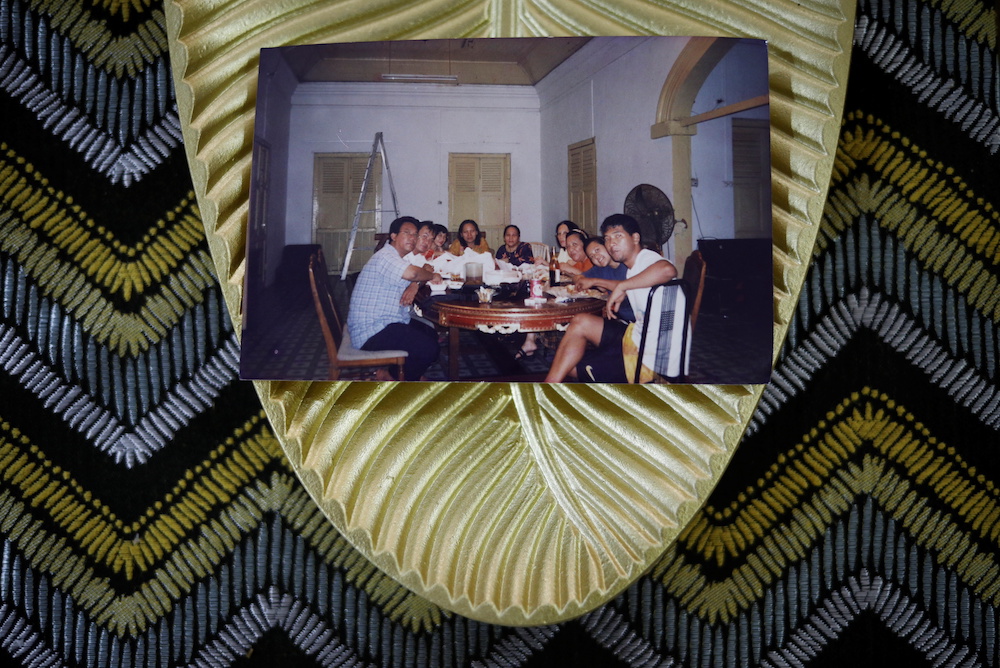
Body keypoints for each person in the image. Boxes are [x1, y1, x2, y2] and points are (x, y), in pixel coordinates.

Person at [544, 214, 677, 384]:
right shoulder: (631, 269)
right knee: (580, 323)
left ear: (635, 238)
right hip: (635, 334)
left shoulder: (646, 258)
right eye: (607, 238)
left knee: (568, 365)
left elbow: (668, 270)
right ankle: (547, 388)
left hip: (652, 355)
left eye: (618, 236)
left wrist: (622, 286)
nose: (611, 243)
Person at [347, 216, 443, 380]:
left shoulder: (394, 257)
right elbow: (412, 273)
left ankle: (407, 370)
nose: (412, 238)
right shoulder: (385, 256)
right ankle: (391, 375)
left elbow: (411, 277)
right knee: (429, 348)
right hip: (372, 330)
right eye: (407, 233)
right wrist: (431, 274)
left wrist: (417, 282)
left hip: (386, 320)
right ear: (393, 236)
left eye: (415, 234)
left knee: (430, 333)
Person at [577, 237, 635, 322]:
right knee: (579, 321)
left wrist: (595, 282)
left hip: (638, 322)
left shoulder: (627, 263)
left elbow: (626, 285)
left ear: (607, 246)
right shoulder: (600, 268)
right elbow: (577, 278)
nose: (596, 256)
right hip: (619, 319)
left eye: (597, 250)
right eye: (592, 256)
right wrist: (581, 279)